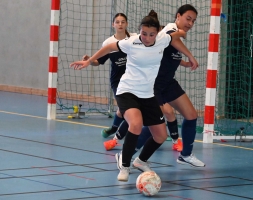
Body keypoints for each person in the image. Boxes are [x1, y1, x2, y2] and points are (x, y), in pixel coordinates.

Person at [70, 10, 198, 182]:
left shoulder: (162, 40)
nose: (146, 37)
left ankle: (141, 160)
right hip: (127, 91)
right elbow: (109, 47)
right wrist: (88, 61)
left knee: (160, 135)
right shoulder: (131, 41)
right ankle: (124, 165)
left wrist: (182, 33)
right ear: (140, 31)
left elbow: (177, 35)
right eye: (144, 33)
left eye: (151, 34)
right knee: (136, 124)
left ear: (157, 33)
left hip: (147, 94)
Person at [117, 4, 206, 168]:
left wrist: (185, 63)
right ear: (178, 16)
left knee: (191, 115)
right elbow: (173, 39)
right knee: (152, 125)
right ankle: (127, 155)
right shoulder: (169, 30)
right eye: (188, 19)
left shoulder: (169, 37)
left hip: (168, 82)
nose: (190, 23)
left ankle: (185, 155)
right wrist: (191, 56)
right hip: (154, 85)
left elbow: (167, 54)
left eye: (193, 21)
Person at [83, 13, 136, 139]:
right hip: (118, 81)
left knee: (129, 107)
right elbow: (99, 62)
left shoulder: (134, 38)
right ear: (113, 25)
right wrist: (90, 60)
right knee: (124, 107)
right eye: (117, 22)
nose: (120, 24)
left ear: (127, 24)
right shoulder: (109, 42)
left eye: (123, 22)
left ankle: (115, 128)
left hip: (134, 79)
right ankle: (119, 131)